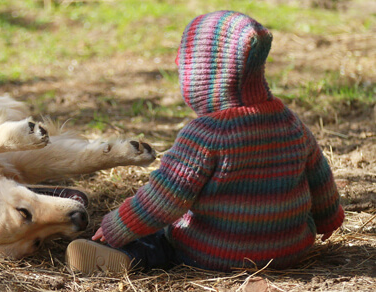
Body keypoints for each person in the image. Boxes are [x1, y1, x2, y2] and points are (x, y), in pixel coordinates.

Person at [66, 10, 344, 274]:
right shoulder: (288, 121)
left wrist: (118, 224)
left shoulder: (206, 133)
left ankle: (131, 257)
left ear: (205, 75)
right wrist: (329, 219)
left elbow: (165, 198)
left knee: (162, 237)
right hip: (290, 250)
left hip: (214, 253)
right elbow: (320, 177)